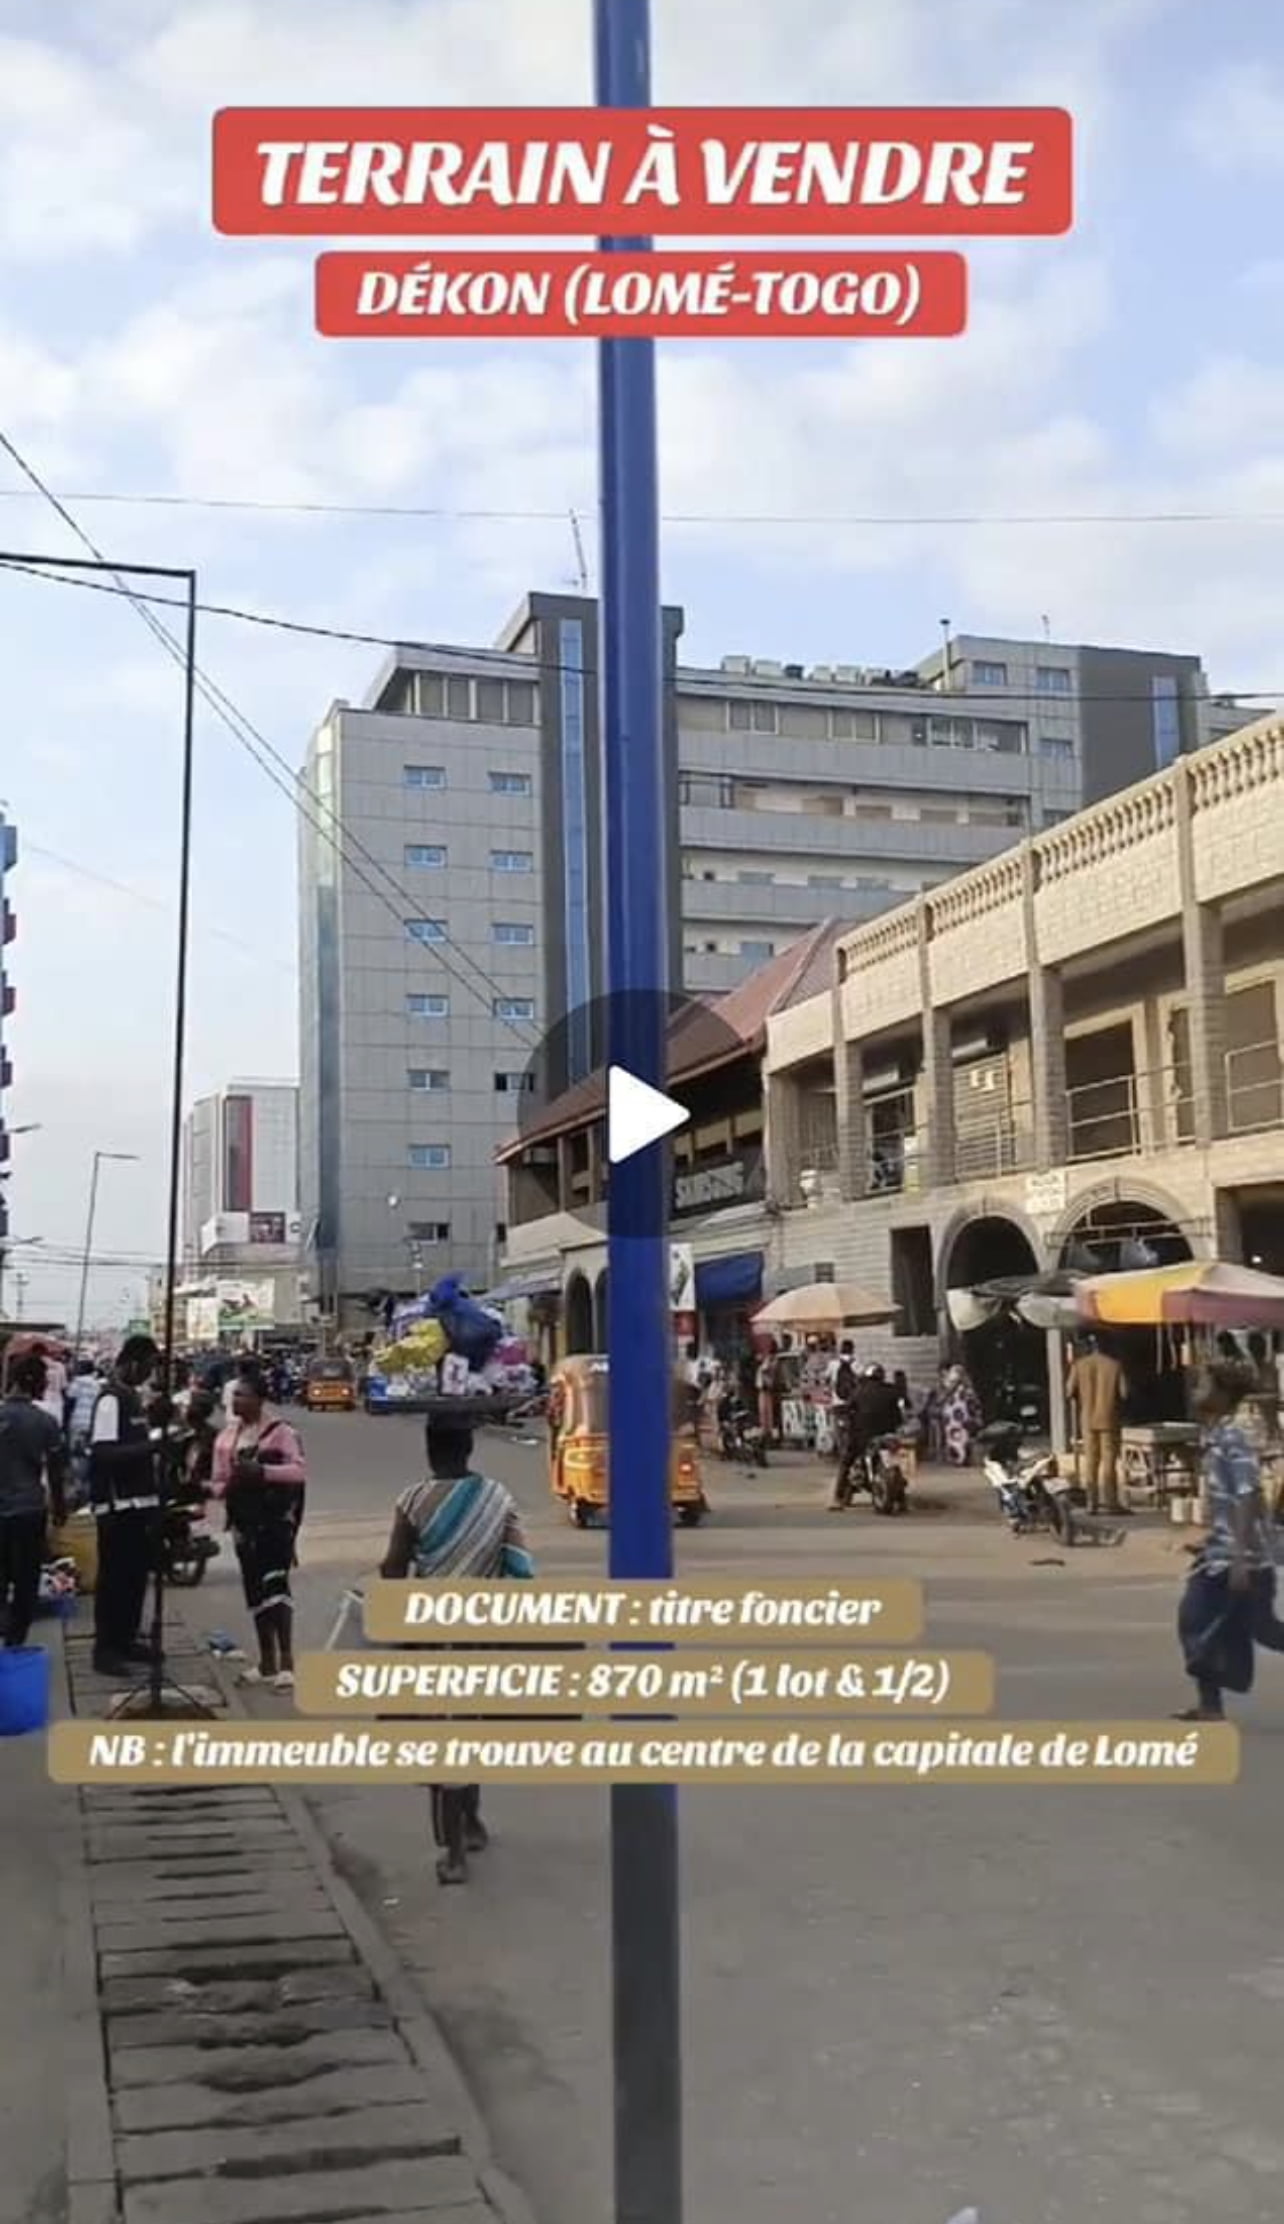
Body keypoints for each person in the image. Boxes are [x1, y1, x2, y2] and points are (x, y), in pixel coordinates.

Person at [379, 1413, 533, 1886]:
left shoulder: (413, 1500)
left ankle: (453, 1854)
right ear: (469, 1448)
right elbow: (520, 1569)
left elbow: (393, 1569)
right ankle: (472, 1822)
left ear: (429, 1450)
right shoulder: (498, 1497)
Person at [1175, 1360, 1284, 1721]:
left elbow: (1248, 1495)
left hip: (1243, 1558)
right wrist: (1206, 1539)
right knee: (1198, 1620)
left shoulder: (1233, 1437)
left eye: (1204, 1385)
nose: (1196, 1392)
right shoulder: (1214, 1435)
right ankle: (1209, 1705)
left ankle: (1210, 1703)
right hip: (1219, 1553)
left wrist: (1239, 1558)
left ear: (1222, 1395)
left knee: (1261, 1630)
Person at [212, 1362, 307, 1690]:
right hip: (244, 1526)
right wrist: (224, 1486)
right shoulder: (227, 1438)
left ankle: (287, 1663)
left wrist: (263, 1473)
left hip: (276, 1525)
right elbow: (218, 1482)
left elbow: (298, 1471)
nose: (236, 1400)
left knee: (276, 1589)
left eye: (243, 1395)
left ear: (260, 1399)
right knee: (255, 1594)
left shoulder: (282, 1433)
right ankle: (266, 1662)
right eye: (234, 1395)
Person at [87, 1335, 162, 1676]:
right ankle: (106, 1649)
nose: (149, 1374)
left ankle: (127, 1639)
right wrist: (151, 1447)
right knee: (114, 1580)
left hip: (139, 1503)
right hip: (116, 1506)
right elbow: (103, 1452)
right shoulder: (110, 1400)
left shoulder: (134, 1398)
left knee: (135, 1577)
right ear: (132, 1363)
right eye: (147, 1367)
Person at [0, 1354, 68, 1648]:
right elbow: (56, 1472)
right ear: (36, 1383)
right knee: (26, 1578)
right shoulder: (45, 1422)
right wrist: (60, 1508)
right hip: (29, 1509)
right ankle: (16, 1640)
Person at [1067, 1334, 1127, 1515]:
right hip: (1109, 1418)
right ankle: (1111, 1503)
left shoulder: (1079, 1365)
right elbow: (1124, 1393)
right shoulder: (1115, 1366)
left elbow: (1069, 1391)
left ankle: (1091, 1504)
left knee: (1091, 1462)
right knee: (1109, 1461)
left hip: (1087, 1419)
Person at [939, 1362, 981, 1467]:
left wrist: (975, 1415)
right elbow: (943, 1397)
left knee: (961, 1436)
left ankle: (962, 1458)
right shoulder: (950, 1387)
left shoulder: (965, 1388)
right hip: (952, 1416)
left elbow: (973, 1402)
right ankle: (957, 1458)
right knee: (953, 1436)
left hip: (960, 1415)